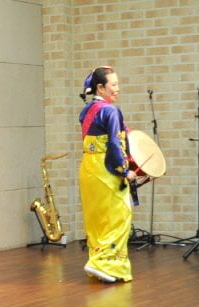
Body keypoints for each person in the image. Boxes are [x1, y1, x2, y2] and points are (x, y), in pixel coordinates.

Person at [78, 66, 137, 283]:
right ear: (101, 88)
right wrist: (125, 170)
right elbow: (114, 143)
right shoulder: (110, 111)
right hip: (106, 168)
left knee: (96, 219)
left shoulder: (87, 110)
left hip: (89, 167)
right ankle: (105, 264)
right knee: (118, 216)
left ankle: (98, 261)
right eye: (114, 84)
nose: (117, 88)